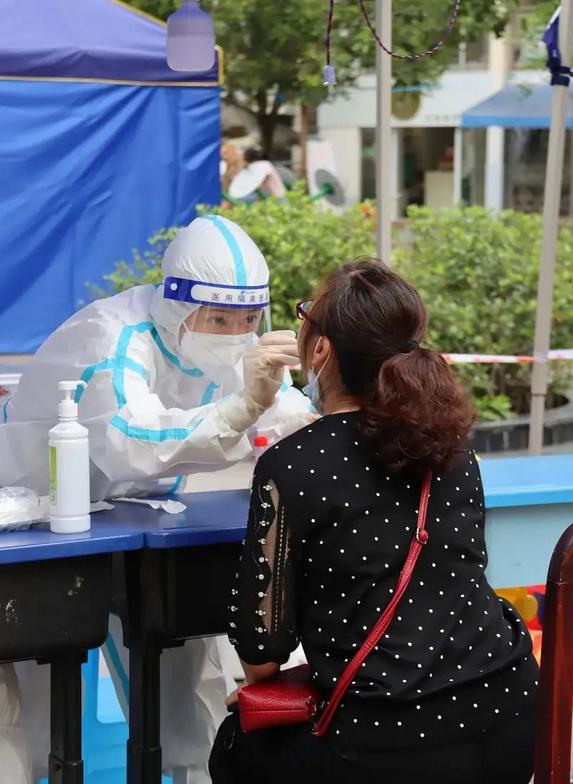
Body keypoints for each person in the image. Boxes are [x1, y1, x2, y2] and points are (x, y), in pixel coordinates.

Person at [0, 214, 312, 784]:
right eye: (217, 317)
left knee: (187, 712)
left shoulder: (233, 344)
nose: (233, 333)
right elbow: (133, 443)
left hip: (139, 519)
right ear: (175, 306)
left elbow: (287, 412)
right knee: (27, 723)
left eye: (247, 319)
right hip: (36, 529)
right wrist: (243, 407)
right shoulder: (110, 337)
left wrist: (322, 421)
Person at [210, 259, 539, 784]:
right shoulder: (456, 451)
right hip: (513, 718)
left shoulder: (293, 464)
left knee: (234, 748)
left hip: (386, 744)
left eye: (303, 317)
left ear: (320, 349)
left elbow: (262, 652)